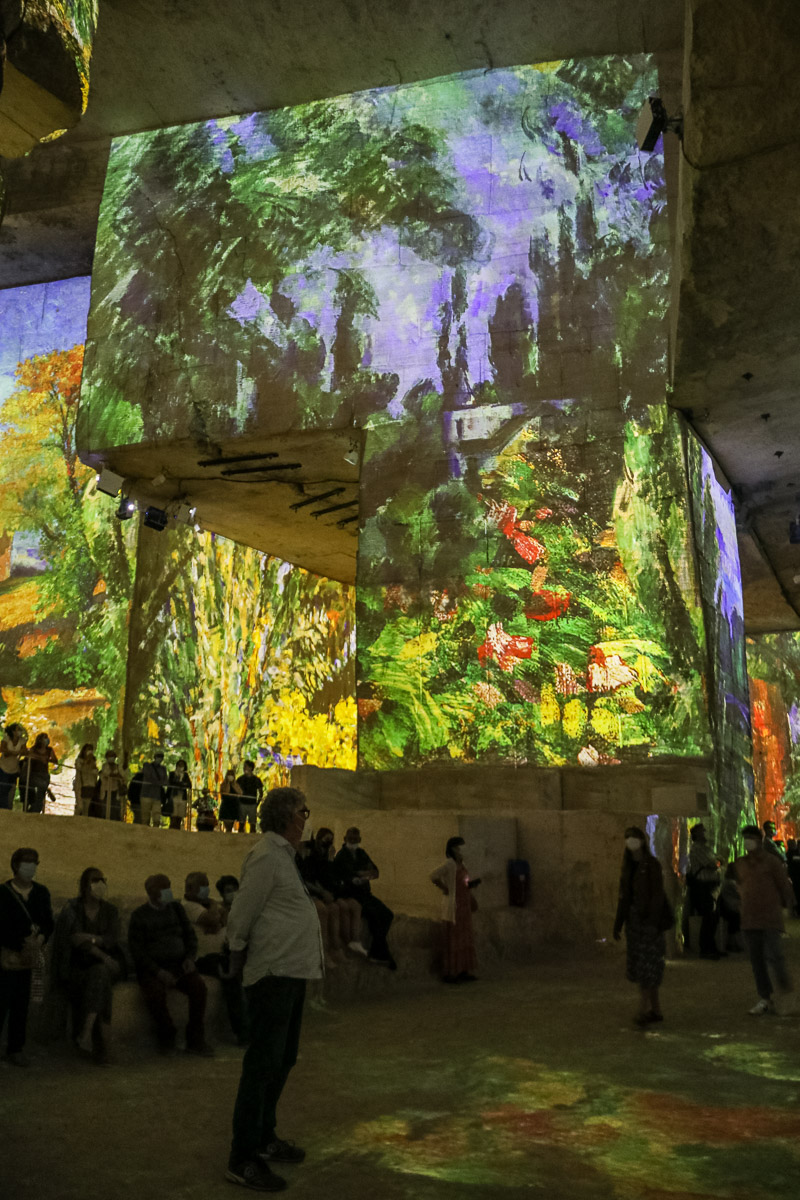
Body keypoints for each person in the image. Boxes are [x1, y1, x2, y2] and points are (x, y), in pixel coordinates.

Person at [225, 787, 323, 1191]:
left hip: (291, 972)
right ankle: (242, 1157)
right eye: (304, 810)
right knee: (262, 1064)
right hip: (273, 974)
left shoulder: (284, 855)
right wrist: (234, 951)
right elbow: (243, 911)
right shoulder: (266, 855)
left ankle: (264, 1136)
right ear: (286, 815)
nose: (307, 817)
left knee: (282, 1060)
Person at [127, 874, 211, 1055]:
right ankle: (166, 1036)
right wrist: (158, 972)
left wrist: (189, 958)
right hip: (154, 969)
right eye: (163, 888)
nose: (168, 892)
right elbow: (137, 952)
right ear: (151, 892)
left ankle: (195, 1039)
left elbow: (190, 937)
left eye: (169, 887)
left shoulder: (176, 909)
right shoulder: (139, 916)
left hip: (179, 964)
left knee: (199, 987)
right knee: (155, 993)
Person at [52, 867, 125, 1063]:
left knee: (99, 975)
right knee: (101, 979)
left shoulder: (110, 910)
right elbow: (75, 940)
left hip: (103, 969)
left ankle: (86, 1034)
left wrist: (91, 939)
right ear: (85, 885)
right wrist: (104, 956)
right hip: (77, 969)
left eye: (103, 879)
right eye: (95, 880)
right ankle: (104, 1047)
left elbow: (111, 939)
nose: (100, 884)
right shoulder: (73, 909)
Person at [0, 847, 54, 1066]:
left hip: (31, 957)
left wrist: (40, 940)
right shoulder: (2, 893)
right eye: (27, 862)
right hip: (8, 956)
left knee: (21, 1004)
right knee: (1, 1001)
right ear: (15, 865)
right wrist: (20, 943)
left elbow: (48, 922)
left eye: (35, 862)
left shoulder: (41, 893)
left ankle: (16, 1048)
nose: (31, 866)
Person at [735, 824, 796, 1015]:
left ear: (758, 840)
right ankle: (765, 998)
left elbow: (784, 885)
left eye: (750, 838)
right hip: (749, 918)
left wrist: (789, 904)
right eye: (745, 838)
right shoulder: (741, 863)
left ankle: (787, 995)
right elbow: (739, 887)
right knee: (756, 961)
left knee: (775, 956)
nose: (747, 842)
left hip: (770, 917)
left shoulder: (771, 862)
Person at [613, 826, 671, 1026]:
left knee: (648, 967)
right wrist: (618, 923)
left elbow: (657, 895)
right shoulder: (628, 867)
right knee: (643, 967)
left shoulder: (651, 865)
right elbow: (624, 896)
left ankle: (642, 1009)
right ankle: (655, 1009)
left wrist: (652, 922)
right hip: (634, 924)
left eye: (633, 837)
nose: (630, 841)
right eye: (627, 837)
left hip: (648, 923)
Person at [183, 871, 247, 1044]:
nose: (206, 890)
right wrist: (213, 908)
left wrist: (217, 920)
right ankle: (242, 1033)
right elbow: (213, 920)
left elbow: (224, 919)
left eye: (206, 886)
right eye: (202, 886)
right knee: (231, 976)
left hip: (220, 955)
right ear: (190, 888)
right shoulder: (188, 906)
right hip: (204, 958)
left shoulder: (203, 905)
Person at [300, 829, 367, 967]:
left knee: (342, 907)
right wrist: (322, 891)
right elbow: (306, 879)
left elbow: (326, 877)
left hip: (323, 891)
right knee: (324, 911)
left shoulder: (322, 856)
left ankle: (340, 946)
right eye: (326, 839)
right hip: (307, 893)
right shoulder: (306, 855)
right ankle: (323, 951)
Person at [334, 827, 396, 968]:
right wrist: (361, 874)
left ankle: (377, 950)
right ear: (345, 839)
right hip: (352, 896)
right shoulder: (341, 856)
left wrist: (361, 874)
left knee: (387, 914)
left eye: (356, 839)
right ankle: (380, 952)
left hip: (366, 894)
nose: (353, 842)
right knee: (374, 916)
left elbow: (375, 871)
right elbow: (345, 875)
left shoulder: (362, 854)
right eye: (351, 839)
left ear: (360, 840)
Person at [430, 836, 480, 983]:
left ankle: (463, 970)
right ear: (452, 849)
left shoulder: (461, 864)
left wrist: (471, 888)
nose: (460, 851)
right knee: (454, 939)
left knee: (464, 937)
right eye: (458, 848)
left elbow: (464, 882)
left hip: (464, 905)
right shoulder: (450, 864)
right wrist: (444, 888)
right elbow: (433, 876)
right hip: (454, 906)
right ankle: (451, 973)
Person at [686, 823, 722, 959]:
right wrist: (717, 862)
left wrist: (717, 862)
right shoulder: (696, 849)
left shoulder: (706, 849)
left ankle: (711, 946)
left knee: (713, 917)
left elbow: (718, 861)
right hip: (703, 887)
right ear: (696, 835)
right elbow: (713, 864)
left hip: (711, 886)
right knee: (709, 916)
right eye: (702, 831)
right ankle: (705, 948)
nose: (705, 833)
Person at [19, 733, 57, 813]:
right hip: (34, 775)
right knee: (40, 787)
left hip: (44, 775)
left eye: (47, 738)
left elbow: (55, 760)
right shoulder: (34, 749)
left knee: (40, 796)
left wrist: (48, 760)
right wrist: (40, 758)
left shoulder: (49, 750)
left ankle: (32, 811)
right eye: (45, 738)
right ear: (40, 740)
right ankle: (46, 790)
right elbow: (28, 755)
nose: (47, 739)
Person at [0, 723, 27, 810]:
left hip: (14, 769)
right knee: (3, 789)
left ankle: (8, 809)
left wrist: (12, 753)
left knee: (11, 790)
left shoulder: (22, 740)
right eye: (17, 729)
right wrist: (14, 753)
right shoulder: (7, 738)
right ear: (13, 731)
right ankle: (3, 808)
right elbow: (3, 749)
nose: (19, 731)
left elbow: (24, 751)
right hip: (3, 767)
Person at [717, 862, 743, 951]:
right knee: (736, 920)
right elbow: (741, 894)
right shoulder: (731, 883)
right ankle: (734, 943)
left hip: (728, 906)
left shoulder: (726, 881)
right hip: (731, 908)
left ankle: (734, 943)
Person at [96, 749, 127, 821]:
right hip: (106, 790)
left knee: (115, 808)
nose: (111, 758)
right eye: (109, 756)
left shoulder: (118, 766)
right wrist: (116, 775)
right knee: (105, 808)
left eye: (112, 756)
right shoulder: (104, 766)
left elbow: (122, 775)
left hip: (115, 791)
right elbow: (108, 774)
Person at [139, 751, 167, 827]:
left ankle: (155, 831)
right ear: (155, 757)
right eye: (158, 757)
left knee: (157, 815)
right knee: (145, 815)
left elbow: (165, 781)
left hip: (157, 795)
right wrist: (158, 782)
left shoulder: (163, 769)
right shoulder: (147, 766)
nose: (160, 759)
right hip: (146, 794)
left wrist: (158, 782)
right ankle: (145, 831)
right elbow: (148, 777)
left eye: (161, 757)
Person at [236, 761, 264, 834]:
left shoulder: (256, 780)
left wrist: (257, 802)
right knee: (241, 823)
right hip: (242, 803)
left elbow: (261, 792)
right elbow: (235, 790)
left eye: (246, 766)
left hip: (252, 804)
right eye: (244, 766)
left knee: (252, 823)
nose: (244, 768)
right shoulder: (240, 779)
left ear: (251, 768)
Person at [73, 744, 98, 817]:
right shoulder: (79, 760)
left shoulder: (93, 762)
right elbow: (80, 768)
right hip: (80, 785)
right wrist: (86, 760)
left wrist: (92, 764)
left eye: (91, 750)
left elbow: (95, 772)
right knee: (80, 806)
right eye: (88, 749)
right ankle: (74, 819)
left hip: (90, 785)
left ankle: (84, 823)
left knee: (86, 808)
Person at [166, 759, 192, 830]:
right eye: (179, 765)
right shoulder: (172, 774)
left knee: (180, 816)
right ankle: (172, 830)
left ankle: (177, 830)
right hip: (173, 796)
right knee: (173, 815)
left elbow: (189, 785)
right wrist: (181, 784)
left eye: (182, 765)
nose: (180, 767)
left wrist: (181, 784)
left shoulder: (185, 775)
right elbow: (171, 783)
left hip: (182, 797)